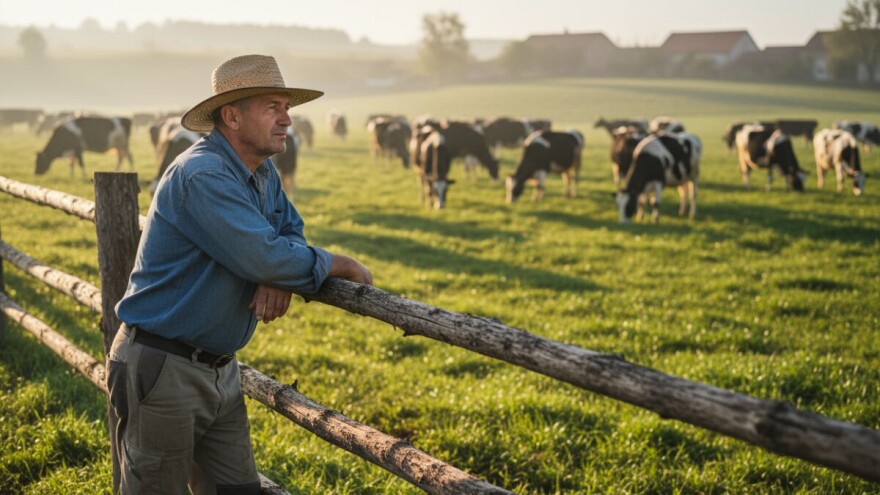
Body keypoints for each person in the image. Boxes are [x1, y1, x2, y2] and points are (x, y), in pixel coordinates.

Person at [107, 54, 372, 494]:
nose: (287, 119)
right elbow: (265, 253)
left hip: (219, 367)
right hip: (166, 367)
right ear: (231, 116)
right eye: (272, 107)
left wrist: (274, 271)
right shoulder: (203, 174)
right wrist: (334, 263)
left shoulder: (262, 172)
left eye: (286, 107)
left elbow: (287, 231)